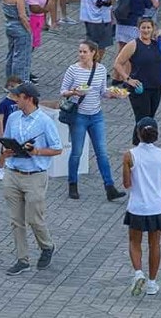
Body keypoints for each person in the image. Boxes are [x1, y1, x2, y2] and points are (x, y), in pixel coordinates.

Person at [1, 81, 63, 275]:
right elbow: (6, 142)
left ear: (28, 99)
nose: (15, 99)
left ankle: (46, 246)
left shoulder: (45, 121)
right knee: (16, 220)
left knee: (34, 218)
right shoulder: (13, 117)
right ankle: (22, 259)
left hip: (34, 175)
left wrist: (35, 151)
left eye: (18, 96)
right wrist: (8, 150)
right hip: (13, 172)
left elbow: (57, 148)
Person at [60, 41, 127, 201]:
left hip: (96, 115)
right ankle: (73, 184)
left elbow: (102, 92)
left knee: (102, 153)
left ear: (93, 53)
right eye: (80, 51)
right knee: (77, 152)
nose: (81, 54)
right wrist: (75, 92)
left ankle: (109, 187)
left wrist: (114, 94)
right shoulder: (73, 70)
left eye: (84, 52)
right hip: (79, 116)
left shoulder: (101, 69)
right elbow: (63, 91)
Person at [123, 116, 161, 297]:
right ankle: (152, 283)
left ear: (138, 134)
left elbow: (127, 184)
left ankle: (138, 272)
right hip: (157, 206)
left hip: (137, 207)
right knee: (155, 244)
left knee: (134, 242)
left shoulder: (129, 155)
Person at [113, 18, 161, 126]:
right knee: (142, 120)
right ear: (138, 29)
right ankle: (139, 142)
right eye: (143, 28)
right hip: (139, 89)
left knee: (150, 119)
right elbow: (118, 63)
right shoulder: (133, 44)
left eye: (148, 28)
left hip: (155, 87)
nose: (146, 30)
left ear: (153, 29)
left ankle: (144, 142)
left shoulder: (158, 43)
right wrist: (127, 79)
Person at [2, 0, 34, 86]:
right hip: (20, 28)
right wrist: (29, 30)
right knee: (22, 57)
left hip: (9, 25)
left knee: (11, 54)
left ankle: (9, 82)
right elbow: (22, 16)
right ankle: (21, 83)